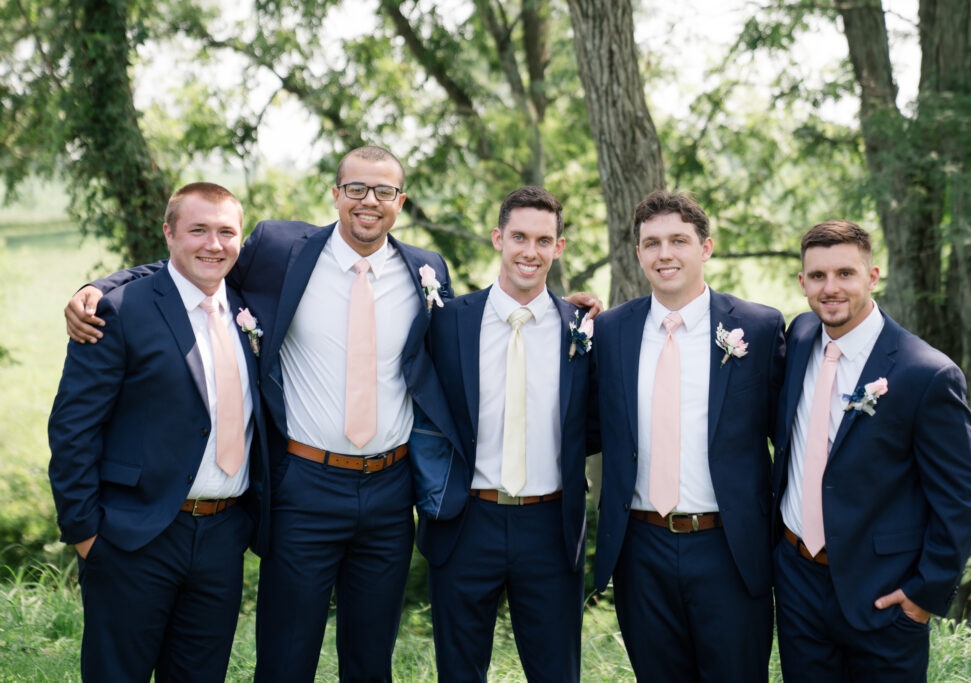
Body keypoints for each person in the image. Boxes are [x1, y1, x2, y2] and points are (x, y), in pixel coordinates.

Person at [63, 148, 600, 681]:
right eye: (357, 189)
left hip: (390, 494)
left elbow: (477, 338)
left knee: (370, 661)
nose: (370, 201)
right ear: (337, 194)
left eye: (384, 191)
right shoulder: (280, 250)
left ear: (401, 201)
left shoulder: (426, 271)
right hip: (305, 488)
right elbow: (200, 259)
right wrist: (103, 288)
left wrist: (568, 314)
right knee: (285, 657)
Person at [48, 182, 270, 681]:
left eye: (226, 232)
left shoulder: (250, 309)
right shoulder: (119, 310)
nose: (213, 244)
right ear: (168, 233)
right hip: (132, 536)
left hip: (222, 535)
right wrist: (84, 532)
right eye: (197, 230)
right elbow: (72, 427)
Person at [771, 219, 971, 681]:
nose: (831, 288)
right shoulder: (801, 336)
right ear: (802, 282)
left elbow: (958, 498)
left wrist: (924, 595)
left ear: (872, 276)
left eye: (845, 273)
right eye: (818, 276)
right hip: (797, 581)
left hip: (883, 593)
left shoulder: (926, 374)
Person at [592, 190, 785, 681]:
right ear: (638, 254)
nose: (664, 254)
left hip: (729, 546)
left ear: (706, 247)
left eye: (678, 240)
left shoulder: (759, 329)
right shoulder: (610, 331)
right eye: (651, 243)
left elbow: (789, 437)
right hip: (640, 548)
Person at [417, 186, 598, 682]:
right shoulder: (448, 322)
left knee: (556, 672)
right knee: (459, 671)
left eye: (544, 240)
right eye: (519, 236)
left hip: (550, 524)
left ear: (559, 248)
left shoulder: (582, 328)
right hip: (465, 518)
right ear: (498, 238)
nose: (530, 251)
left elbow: (598, 423)